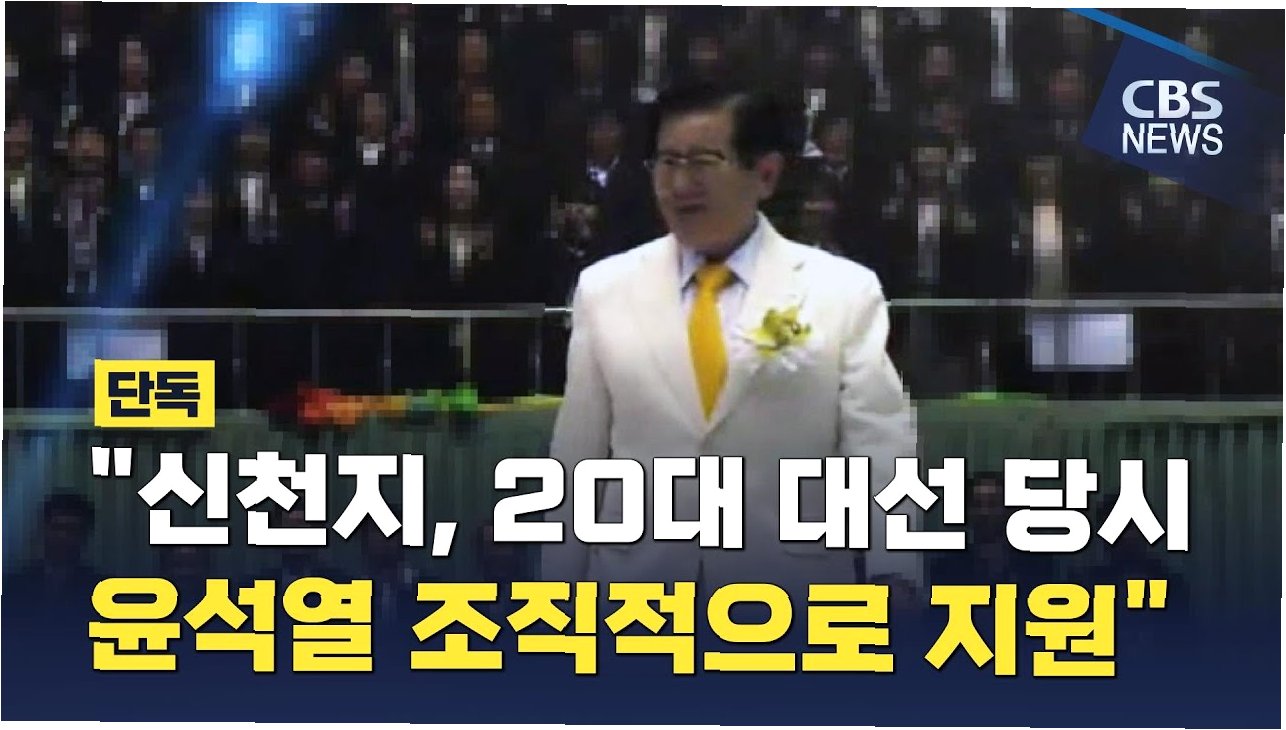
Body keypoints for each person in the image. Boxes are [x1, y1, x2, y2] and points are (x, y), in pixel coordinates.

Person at [542, 82, 922, 600]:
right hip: (639, 602)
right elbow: (578, 456)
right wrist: (555, 589)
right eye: (667, 163)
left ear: (765, 175)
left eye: (702, 163)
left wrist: (894, 570)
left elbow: (879, 443)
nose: (680, 184)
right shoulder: (605, 289)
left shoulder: (842, 291)